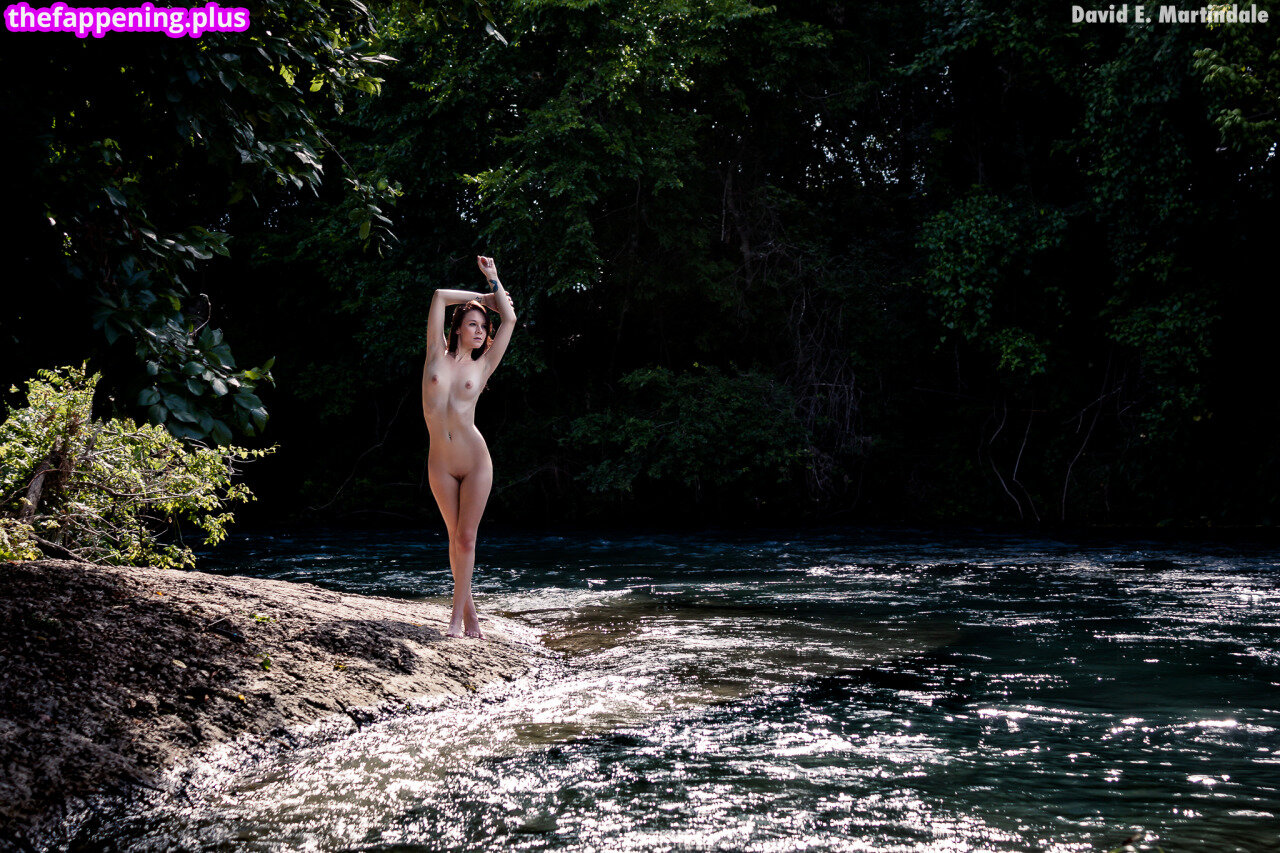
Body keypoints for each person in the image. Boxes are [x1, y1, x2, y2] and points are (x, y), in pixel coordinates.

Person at [422, 255, 516, 638]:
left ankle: (455, 620)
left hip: (475, 460)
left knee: (466, 539)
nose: (480, 331)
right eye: (473, 324)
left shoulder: (483, 365)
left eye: (483, 326)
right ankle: (471, 616)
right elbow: (439, 295)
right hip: (440, 462)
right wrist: (482, 296)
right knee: (454, 539)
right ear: (458, 327)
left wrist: (495, 280)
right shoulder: (434, 353)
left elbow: (510, 319)